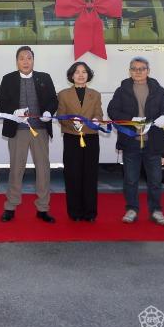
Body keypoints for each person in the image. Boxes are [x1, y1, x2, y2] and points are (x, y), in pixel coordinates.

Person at [107, 57, 164, 225]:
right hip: (131, 142)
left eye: (142, 68)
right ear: (130, 71)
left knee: (155, 180)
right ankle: (131, 209)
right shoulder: (122, 90)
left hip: (153, 143)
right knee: (130, 180)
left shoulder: (158, 90)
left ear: (148, 71)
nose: (138, 72)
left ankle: (156, 211)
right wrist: (130, 119)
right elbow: (112, 111)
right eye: (134, 69)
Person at [0, 46, 59, 224]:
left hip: (40, 130)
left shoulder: (44, 77)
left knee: (43, 169)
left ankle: (43, 208)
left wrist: (48, 112)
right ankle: (10, 206)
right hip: (17, 130)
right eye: (22, 58)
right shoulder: (8, 79)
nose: (25, 61)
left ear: (33, 60)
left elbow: (53, 100)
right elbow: (1, 103)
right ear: (17, 61)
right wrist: (13, 111)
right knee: (16, 169)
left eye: (29, 58)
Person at [56, 61, 103, 221]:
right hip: (72, 138)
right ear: (71, 75)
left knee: (90, 175)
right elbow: (61, 116)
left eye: (84, 72)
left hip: (91, 137)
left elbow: (99, 114)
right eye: (77, 72)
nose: (81, 75)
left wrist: (96, 120)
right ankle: (75, 212)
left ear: (88, 75)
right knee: (72, 175)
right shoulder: (63, 94)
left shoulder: (95, 94)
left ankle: (90, 213)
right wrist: (72, 124)